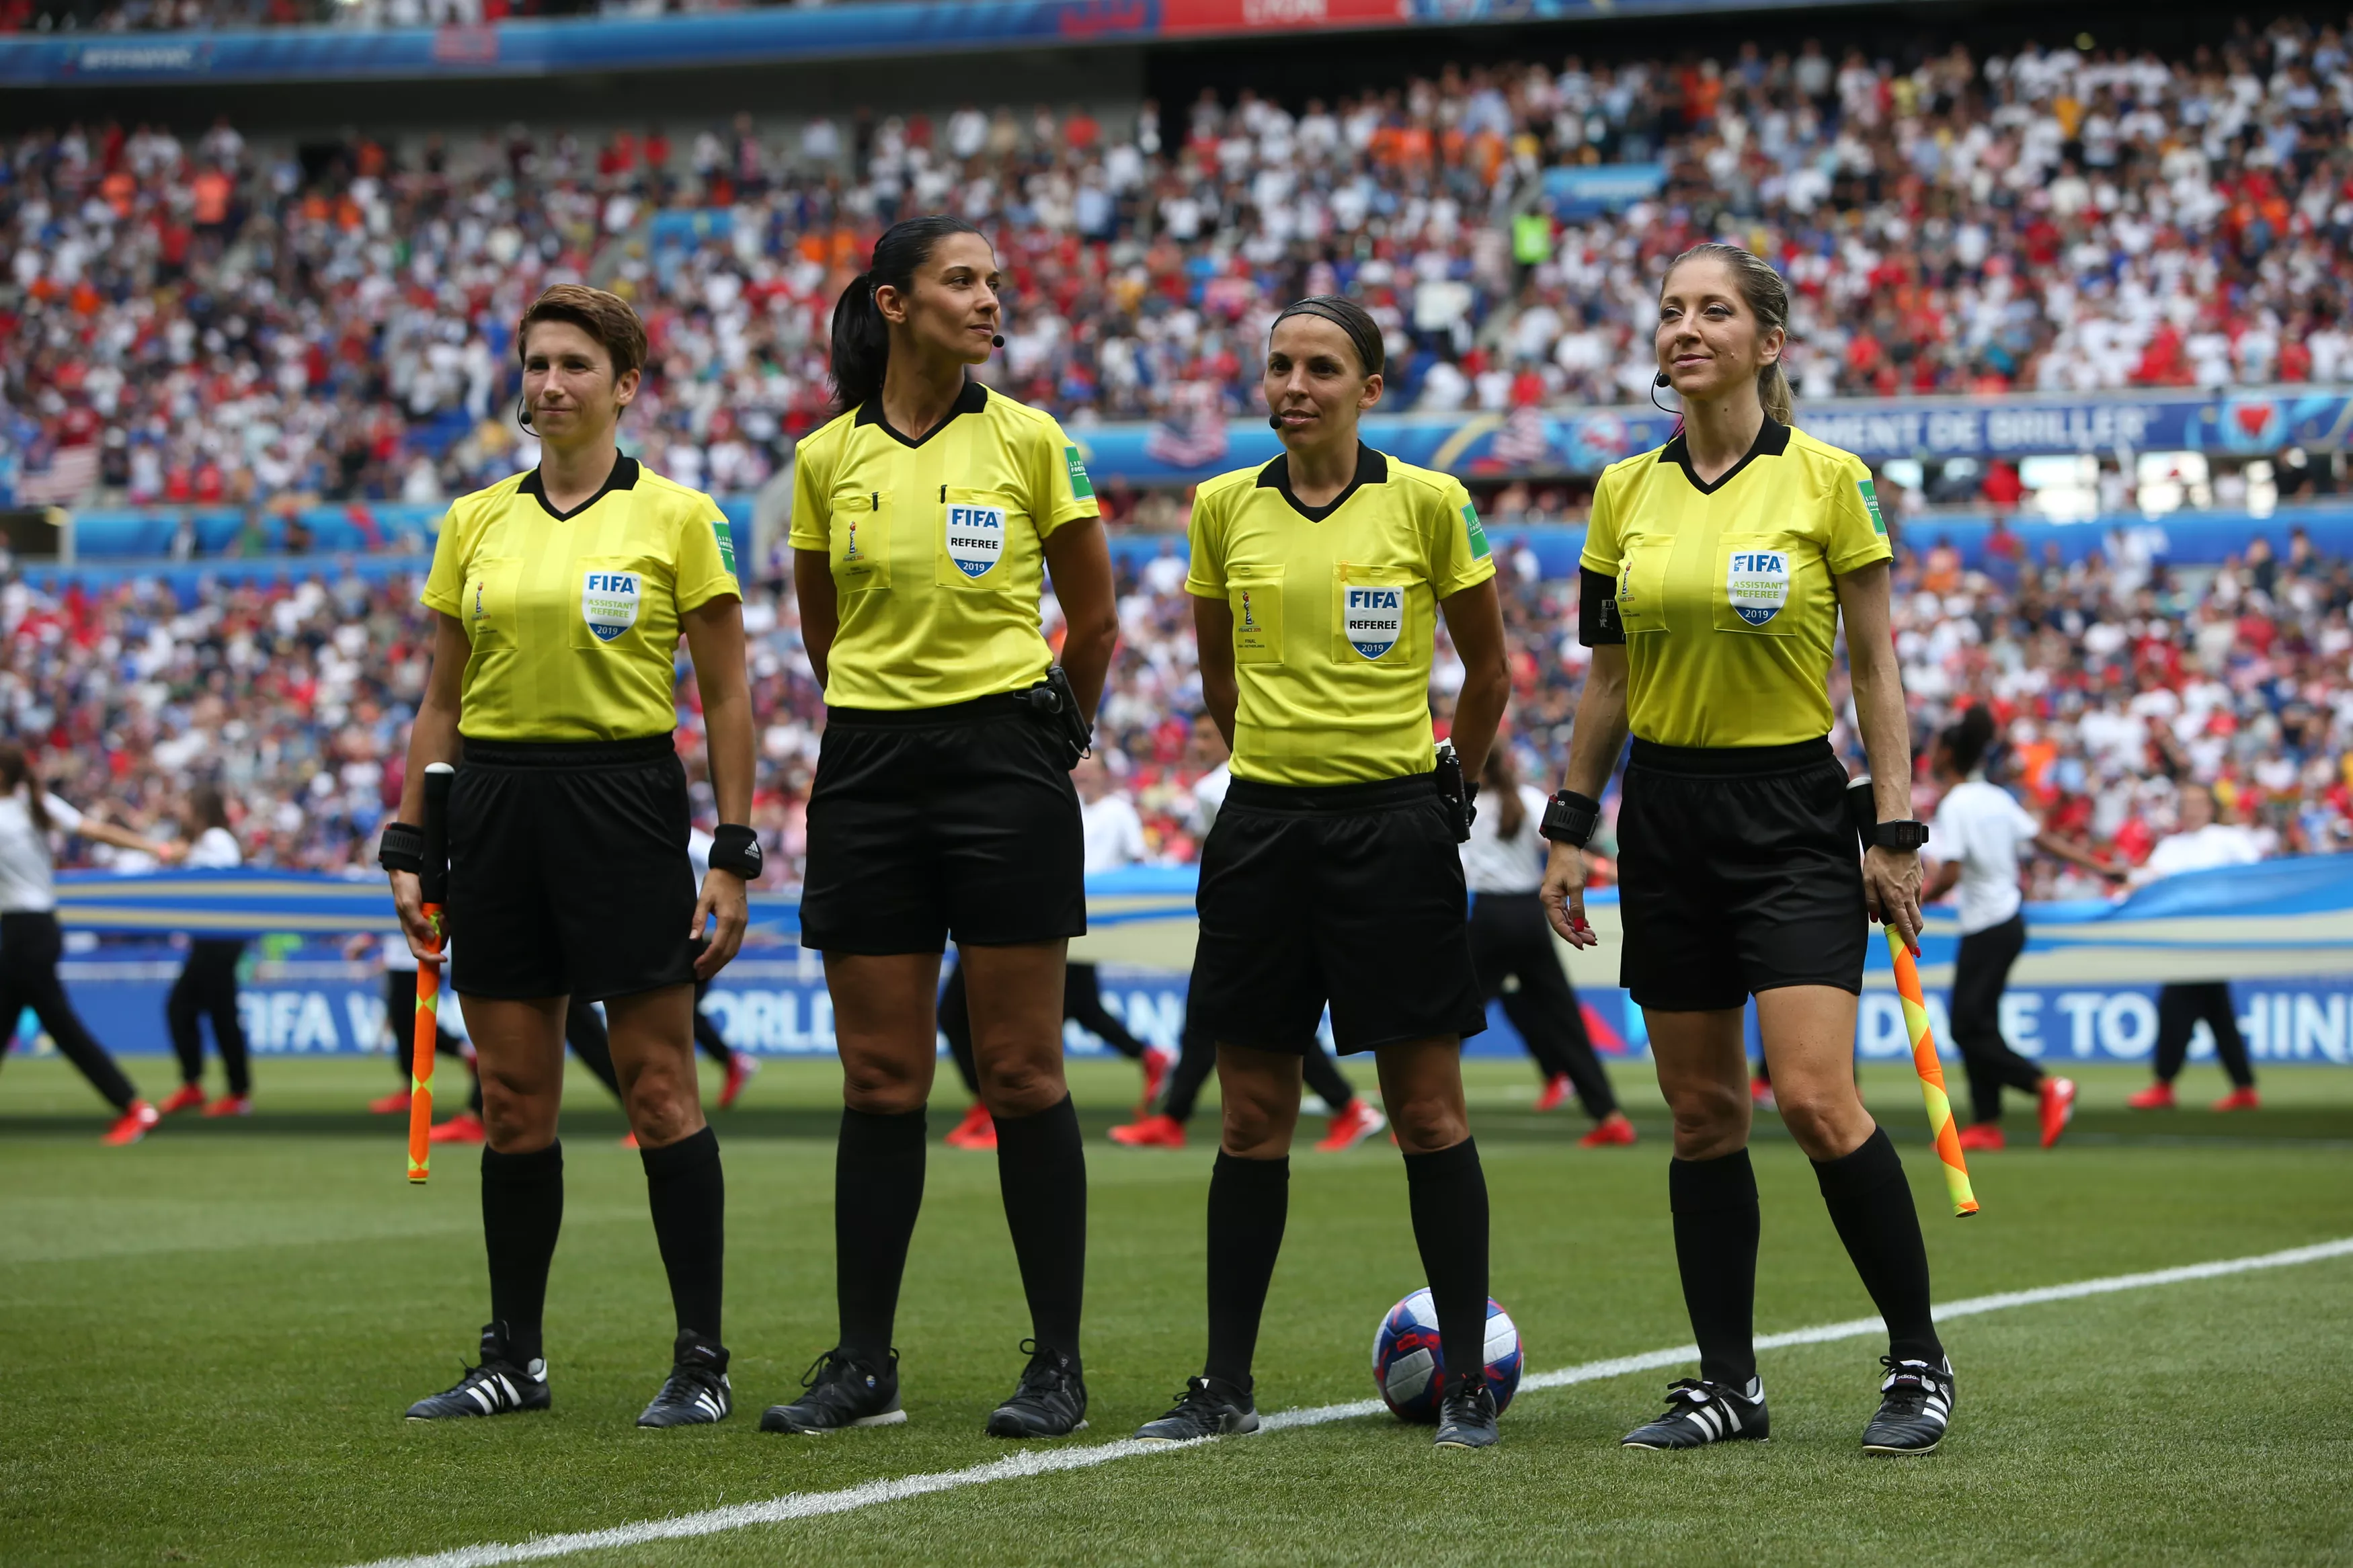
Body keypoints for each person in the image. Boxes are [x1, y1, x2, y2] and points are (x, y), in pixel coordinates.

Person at [1543, 242, 1955, 1455]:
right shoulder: (1624, 491)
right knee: (1702, 1113)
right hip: (1664, 817)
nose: (1686, 327)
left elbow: (1876, 665)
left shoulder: (1830, 480)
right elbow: (1610, 679)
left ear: (1768, 343)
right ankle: (1730, 1383)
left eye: (1714, 310)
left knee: (1818, 1098)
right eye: (1671, 309)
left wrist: (1891, 827)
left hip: (1792, 813)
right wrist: (1570, 825)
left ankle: (1920, 1361)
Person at [1131, 294, 1512, 1451]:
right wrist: (1280, 768)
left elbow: (1489, 670)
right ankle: (1225, 1384)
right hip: (1263, 831)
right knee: (1251, 1117)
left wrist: (1455, 782)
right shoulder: (1218, 508)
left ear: (1370, 386)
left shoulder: (1430, 502)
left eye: (1323, 367)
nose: (1295, 384)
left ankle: (1464, 1382)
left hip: (1395, 829)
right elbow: (1217, 677)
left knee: (1427, 1112)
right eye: (1280, 365)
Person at [762, 216, 1118, 1442]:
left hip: (1006, 765)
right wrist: (887, 710)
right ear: (894, 301)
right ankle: (865, 1362)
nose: (989, 299)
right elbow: (825, 634)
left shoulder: (1031, 440)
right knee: (881, 1076)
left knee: (1021, 1068)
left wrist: (1052, 738)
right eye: (961, 281)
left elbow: (1097, 618)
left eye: (995, 282)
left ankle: (1056, 1363)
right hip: (867, 767)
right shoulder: (825, 459)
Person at [385, 282, 755, 1430]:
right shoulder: (473, 519)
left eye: (577, 365)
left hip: (624, 804)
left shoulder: (681, 518)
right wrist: (410, 839)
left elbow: (729, 692)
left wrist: (733, 848)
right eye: (537, 363)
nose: (551, 383)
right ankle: (515, 1357)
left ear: (626, 385)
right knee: (511, 1098)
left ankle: (702, 1358)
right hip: (495, 811)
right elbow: (440, 698)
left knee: (656, 1088)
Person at [1109, 738, 1390, 1153]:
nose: (1200, 744)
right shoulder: (1225, 780)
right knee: (1233, 1019)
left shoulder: (1216, 786)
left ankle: (1346, 1106)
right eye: (1197, 736)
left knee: (1246, 1019)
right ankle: (1174, 1118)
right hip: (1259, 908)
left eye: (1206, 735)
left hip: (1259, 914)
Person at [1922, 706, 2113, 1151]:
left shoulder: (1956, 804)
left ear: (1948, 754)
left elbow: (1950, 872)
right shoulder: (1995, 796)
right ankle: (1987, 1123)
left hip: (1986, 924)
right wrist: (2103, 868)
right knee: (1979, 1024)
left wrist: (1914, 899)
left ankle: (2043, 1086)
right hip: (2007, 921)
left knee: (1966, 1027)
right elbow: (2042, 839)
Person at [0, 741, 180, 1143]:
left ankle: (134, 1106)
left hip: (24, 934)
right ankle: (133, 1106)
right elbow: (99, 831)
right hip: (36, 929)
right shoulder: (36, 803)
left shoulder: (12, 813)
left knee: (64, 1028)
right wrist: (155, 847)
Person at [1464, 746, 1633, 1146]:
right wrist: (1614, 872)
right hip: (1529, 916)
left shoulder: (1467, 806)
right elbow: (1570, 855)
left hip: (1486, 918)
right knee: (1566, 1022)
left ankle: (1421, 1105)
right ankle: (1609, 1115)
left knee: (1451, 1019)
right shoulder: (1529, 799)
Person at [2125, 784, 2263, 1112]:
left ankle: (2165, 1084)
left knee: (2177, 1008)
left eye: (2197, 803)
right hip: (2183, 943)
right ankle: (2241, 1087)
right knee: (2217, 1013)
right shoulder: (2172, 846)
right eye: (2186, 803)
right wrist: (2124, 887)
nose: (2192, 809)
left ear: (2210, 807)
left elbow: (2256, 875)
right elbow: (2148, 876)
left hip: (2214, 941)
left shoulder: (2229, 840)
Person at [156, 784, 255, 1118]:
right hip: (208, 938)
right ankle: (198, 1085)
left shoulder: (216, 839)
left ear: (199, 806)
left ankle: (235, 1093)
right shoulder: (202, 842)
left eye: (185, 802)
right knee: (185, 1008)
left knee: (215, 1013)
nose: (180, 809)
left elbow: (223, 884)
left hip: (220, 938)